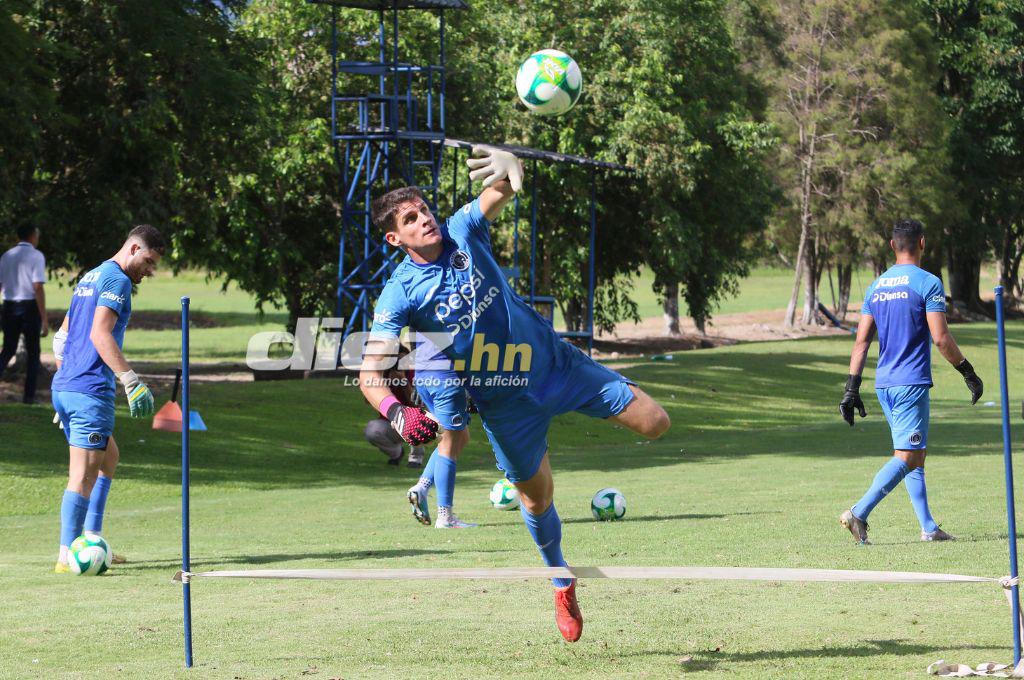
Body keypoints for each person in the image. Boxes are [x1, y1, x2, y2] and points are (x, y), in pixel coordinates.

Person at [359, 146, 670, 642]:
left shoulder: (463, 229)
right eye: (412, 219)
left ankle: (553, 452)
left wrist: (507, 159)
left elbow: (504, 185)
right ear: (396, 237)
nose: (426, 221)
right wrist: (397, 413)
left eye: (426, 211)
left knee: (656, 422)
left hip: (554, 364)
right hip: (504, 405)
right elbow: (369, 373)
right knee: (538, 496)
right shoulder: (400, 293)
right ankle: (560, 577)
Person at [839, 218, 983, 545]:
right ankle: (859, 513)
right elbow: (941, 338)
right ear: (922, 243)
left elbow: (861, 342)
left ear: (892, 246)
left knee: (915, 454)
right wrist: (968, 372)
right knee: (906, 456)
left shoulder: (876, 287)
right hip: (910, 383)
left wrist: (851, 389)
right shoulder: (928, 283)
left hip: (884, 384)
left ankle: (929, 528)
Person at [51, 225, 164, 573]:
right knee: (82, 475)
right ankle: (66, 556)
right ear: (132, 249)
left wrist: (66, 381)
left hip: (68, 388)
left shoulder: (91, 276)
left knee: (109, 457)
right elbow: (100, 334)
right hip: (88, 392)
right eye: (148, 260)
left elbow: (61, 337)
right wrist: (130, 380)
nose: (150, 270)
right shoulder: (117, 281)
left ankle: (93, 540)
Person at [0, 225, 48, 404]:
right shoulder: (36, 256)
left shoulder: (6, 256)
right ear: (33, 236)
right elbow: (37, 287)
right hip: (29, 307)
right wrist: (44, 318)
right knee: (33, 353)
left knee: (8, 350)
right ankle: (29, 397)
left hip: (9, 306)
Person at [363, 358, 426, 468]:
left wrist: (403, 381)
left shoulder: (415, 374)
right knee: (371, 431)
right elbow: (368, 401)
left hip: (413, 420)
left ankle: (415, 458)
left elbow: (417, 404)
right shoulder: (383, 374)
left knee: (417, 418)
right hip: (389, 422)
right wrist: (378, 381)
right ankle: (396, 453)